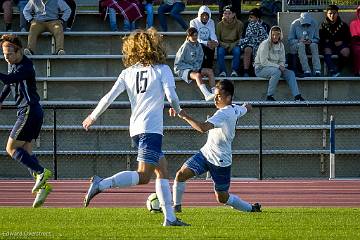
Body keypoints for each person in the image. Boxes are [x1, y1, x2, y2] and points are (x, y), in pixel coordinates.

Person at [82, 28, 189, 227]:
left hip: (136, 128)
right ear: (154, 46)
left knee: (162, 170)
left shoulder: (127, 72)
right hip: (151, 129)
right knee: (143, 176)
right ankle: (101, 183)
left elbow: (108, 97)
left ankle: (170, 218)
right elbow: (172, 96)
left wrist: (92, 116)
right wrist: (177, 109)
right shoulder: (161, 69)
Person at [169, 79, 261, 214]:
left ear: (228, 97)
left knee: (222, 198)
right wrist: (247, 106)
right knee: (181, 175)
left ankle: (251, 208)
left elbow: (202, 128)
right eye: (215, 96)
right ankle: (176, 207)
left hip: (220, 160)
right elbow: (245, 108)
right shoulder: (235, 108)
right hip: (206, 153)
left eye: (219, 96)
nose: (215, 99)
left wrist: (184, 115)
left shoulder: (224, 113)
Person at [0, 34, 52, 208]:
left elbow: (9, 80)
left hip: (28, 111)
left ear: (19, 51)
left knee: (10, 148)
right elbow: (9, 85)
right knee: (27, 152)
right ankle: (42, 188)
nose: (6, 57)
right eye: (4, 54)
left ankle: (41, 172)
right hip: (32, 112)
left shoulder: (26, 66)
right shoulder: (14, 64)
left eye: (9, 54)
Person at [254, 26, 305, 101]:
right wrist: (278, 67)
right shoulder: (265, 44)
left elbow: (282, 60)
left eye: (277, 34)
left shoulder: (281, 45)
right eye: (273, 34)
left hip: (276, 68)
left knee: (290, 73)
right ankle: (269, 96)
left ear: (280, 35)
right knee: (276, 72)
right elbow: (263, 62)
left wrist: (281, 66)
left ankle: (297, 96)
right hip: (261, 69)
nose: (275, 36)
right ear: (270, 34)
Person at [174, 27, 215, 101]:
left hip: (195, 68)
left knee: (209, 71)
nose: (194, 37)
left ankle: (214, 92)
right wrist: (191, 68)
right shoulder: (184, 47)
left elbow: (200, 58)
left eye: (196, 35)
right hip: (183, 69)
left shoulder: (199, 45)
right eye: (192, 35)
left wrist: (197, 67)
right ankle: (206, 94)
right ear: (188, 37)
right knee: (197, 75)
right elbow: (178, 63)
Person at [319, 4, 351, 77]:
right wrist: (331, 42)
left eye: (334, 13)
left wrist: (342, 42)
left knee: (346, 52)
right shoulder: (323, 25)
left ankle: (338, 69)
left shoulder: (343, 25)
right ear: (327, 14)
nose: (332, 15)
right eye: (330, 13)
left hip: (341, 45)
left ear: (337, 13)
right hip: (328, 46)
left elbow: (348, 38)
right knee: (326, 51)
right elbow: (322, 39)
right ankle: (332, 70)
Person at [288, 12, 321, 77]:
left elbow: (317, 39)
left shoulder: (314, 23)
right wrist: (299, 40)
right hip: (297, 46)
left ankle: (317, 70)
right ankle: (306, 70)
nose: (306, 25)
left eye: (307, 24)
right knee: (301, 45)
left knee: (314, 45)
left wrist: (311, 41)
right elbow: (290, 40)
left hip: (310, 45)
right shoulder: (294, 24)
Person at [240, 8, 270, 77]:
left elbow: (267, 38)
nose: (249, 19)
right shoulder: (247, 25)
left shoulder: (265, 26)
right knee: (248, 49)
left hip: (261, 44)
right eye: (249, 17)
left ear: (257, 18)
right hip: (249, 43)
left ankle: (259, 70)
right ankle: (246, 71)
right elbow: (245, 37)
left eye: (251, 17)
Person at [216, 5, 243, 77]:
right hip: (223, 44)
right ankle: (222, 71)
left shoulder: (239, 24)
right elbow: (217, 39)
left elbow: (241, 38)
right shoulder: (219, 25)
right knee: (220, 52)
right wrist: (225, 45)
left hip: (235, 44)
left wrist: (233, 44)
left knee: (237, 51)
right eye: (225, 13)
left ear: (234, 14)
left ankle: (235, 71)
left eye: (229, 13)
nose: (227, 15)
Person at [350, 5, 360, 76]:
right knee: (357, 51)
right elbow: (355, 36)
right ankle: (357, 71)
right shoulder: (353, 23)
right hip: (357, 43)